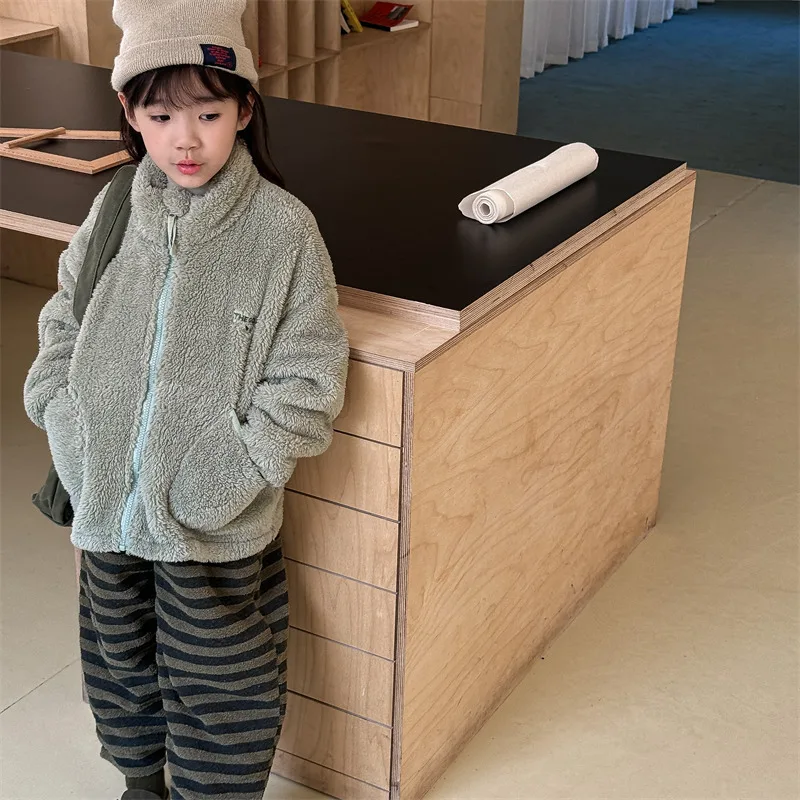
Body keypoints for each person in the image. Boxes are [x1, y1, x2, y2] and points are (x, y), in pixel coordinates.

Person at [22, 1, 350, 798]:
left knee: (223, 684)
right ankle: (141, 782)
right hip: (106, 503)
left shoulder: (283, 231)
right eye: (162, 116)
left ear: (244, 110)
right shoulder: (114, 207)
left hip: (213, 519)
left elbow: (308, 380)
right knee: (119, 660)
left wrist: (228, 473)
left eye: (208, 113)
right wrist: (65, 418)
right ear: (130, 114)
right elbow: (64, 317)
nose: (186, 140)